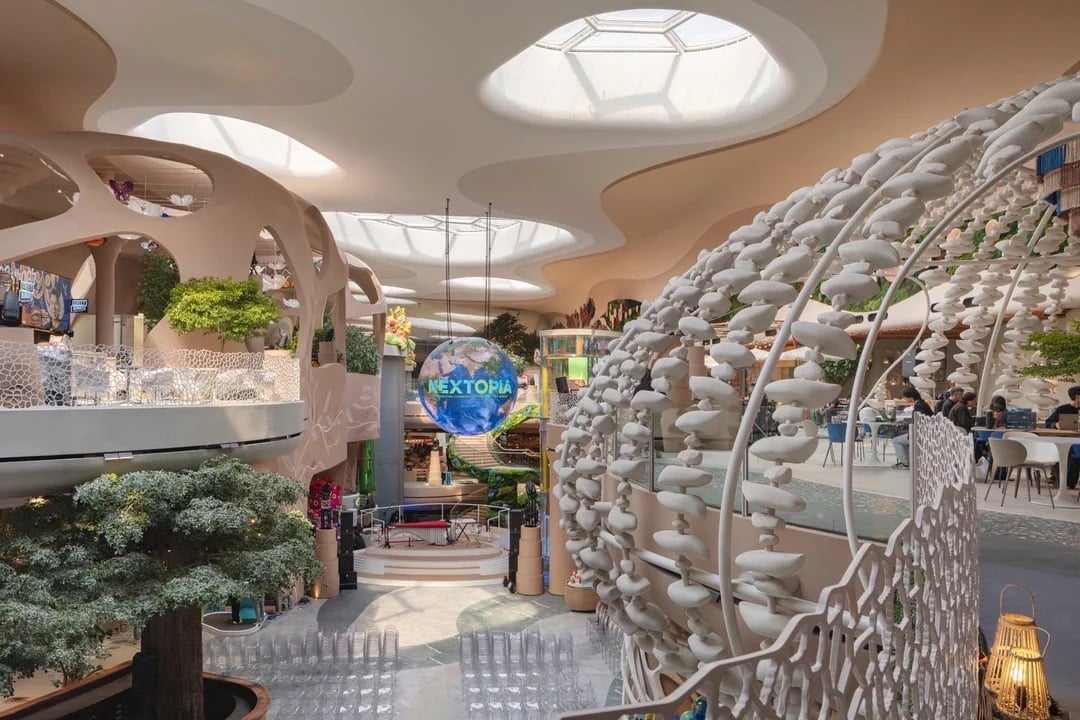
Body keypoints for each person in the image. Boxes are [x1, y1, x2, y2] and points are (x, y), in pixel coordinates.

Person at [1045, 385, 1080, 490]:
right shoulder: (1062, 409)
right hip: (1066, 440)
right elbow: (1048, 423)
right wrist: (1056, 425)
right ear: (1077, 397)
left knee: (1074, 450)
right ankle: (1065, 482)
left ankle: (1067, 482)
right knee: (1068, 450)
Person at [893, 388, 933, 468]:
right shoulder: (923, 404)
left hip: (920, 434)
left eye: (905, 397)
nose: (904, 399)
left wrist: (904, 421)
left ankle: (906, 463)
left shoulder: (919, 406)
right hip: (926, 431)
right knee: (901, 438)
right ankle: (908, 461)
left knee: (896, 440)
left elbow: (917, 420)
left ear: (911, 397)